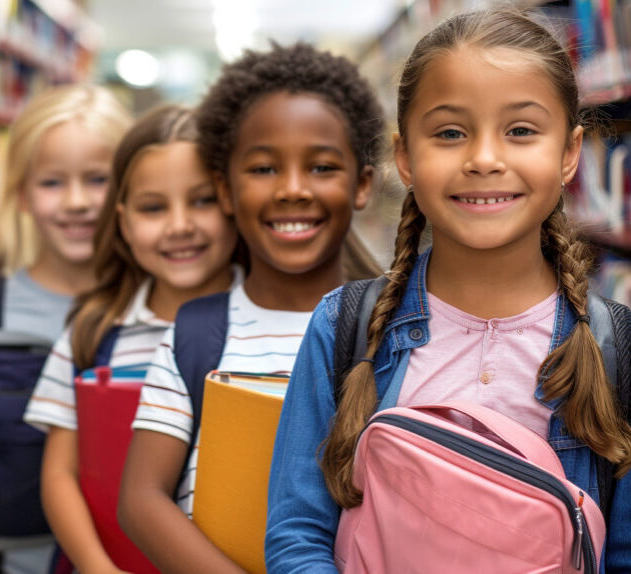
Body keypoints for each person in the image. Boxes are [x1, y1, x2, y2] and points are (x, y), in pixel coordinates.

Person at [265, 9, 631, 573]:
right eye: (450, 133)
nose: (484, 159)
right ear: (406, 157)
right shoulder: (346, 327)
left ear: (569, 154)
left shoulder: (617, 349)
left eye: (521, 131)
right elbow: (298, 534)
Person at [117, 42, 384, 573]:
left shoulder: (394, 326)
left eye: (322, 167)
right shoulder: (199, 333)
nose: (291, 189)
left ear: (362, 185)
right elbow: (141, 500)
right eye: (263, 168)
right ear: (225, 189)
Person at [0, 85, 132, 574]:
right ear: (21, 194)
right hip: (9, 559)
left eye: (97, 179)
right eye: (52, 183)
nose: (76, 202)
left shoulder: (153, 306)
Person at [24, 104, 241, 573]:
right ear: (122, 220)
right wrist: (96, 566)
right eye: (153, 207)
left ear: (233, 200)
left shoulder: (270, 318)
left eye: (202, 200)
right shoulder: (94, 329)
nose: (179, 225)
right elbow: (60, 472)